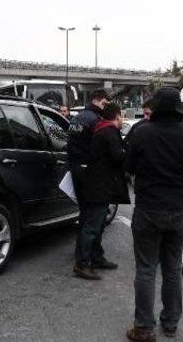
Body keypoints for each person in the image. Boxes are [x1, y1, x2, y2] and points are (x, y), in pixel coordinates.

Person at [125, 87, 183, 342]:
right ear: (178, 108)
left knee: (145, 268)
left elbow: (128, 166)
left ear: (156, 106)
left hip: (148, 209)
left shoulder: (142, 133)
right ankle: (171, 323)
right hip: (178, 209)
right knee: (172, 267)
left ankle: (143, 327)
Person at [73, 103, 131, 280]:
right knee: (92, 226)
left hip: (97, 185)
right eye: (122, 116)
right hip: (99, 186)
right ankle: (82, 264)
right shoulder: (109, 132)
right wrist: (128, 150)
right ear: (117, 116)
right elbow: (118, 156)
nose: (123, 120)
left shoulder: (100, 129)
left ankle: (96, 257)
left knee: (97, 225)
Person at [67, 89, 110, 280]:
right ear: (96, 100)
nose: (106, 106)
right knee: (94, 218)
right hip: (92, 173)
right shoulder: (96, 120)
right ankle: (83, 263)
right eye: (104, 103)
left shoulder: (76, 118)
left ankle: (95, 256)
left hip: (77, 171)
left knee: (87, 216)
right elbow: (101, 149)